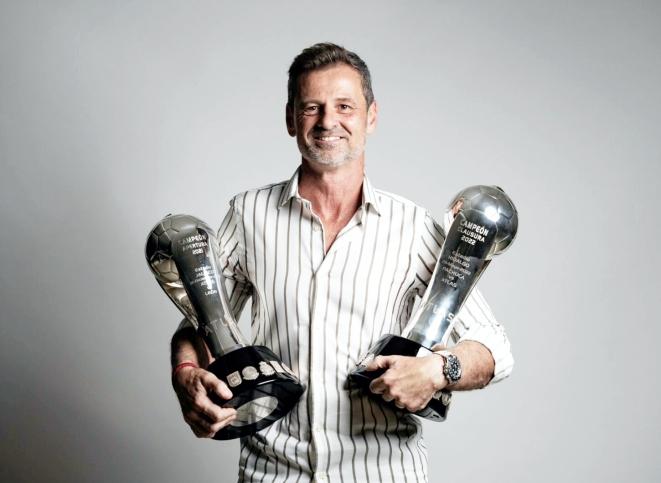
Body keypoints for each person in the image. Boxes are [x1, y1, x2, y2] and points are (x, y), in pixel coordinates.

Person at [170, 42, 514, 483]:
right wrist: (186, 374)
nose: (327, 121)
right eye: (311, 107)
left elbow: (494, 348)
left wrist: (437, 370)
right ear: (291, 119)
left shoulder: (411, 226)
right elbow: (201, 320)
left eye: (344, 106)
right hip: (271, 474)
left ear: (371, 116)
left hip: (382, 474)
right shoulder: (248, 214)